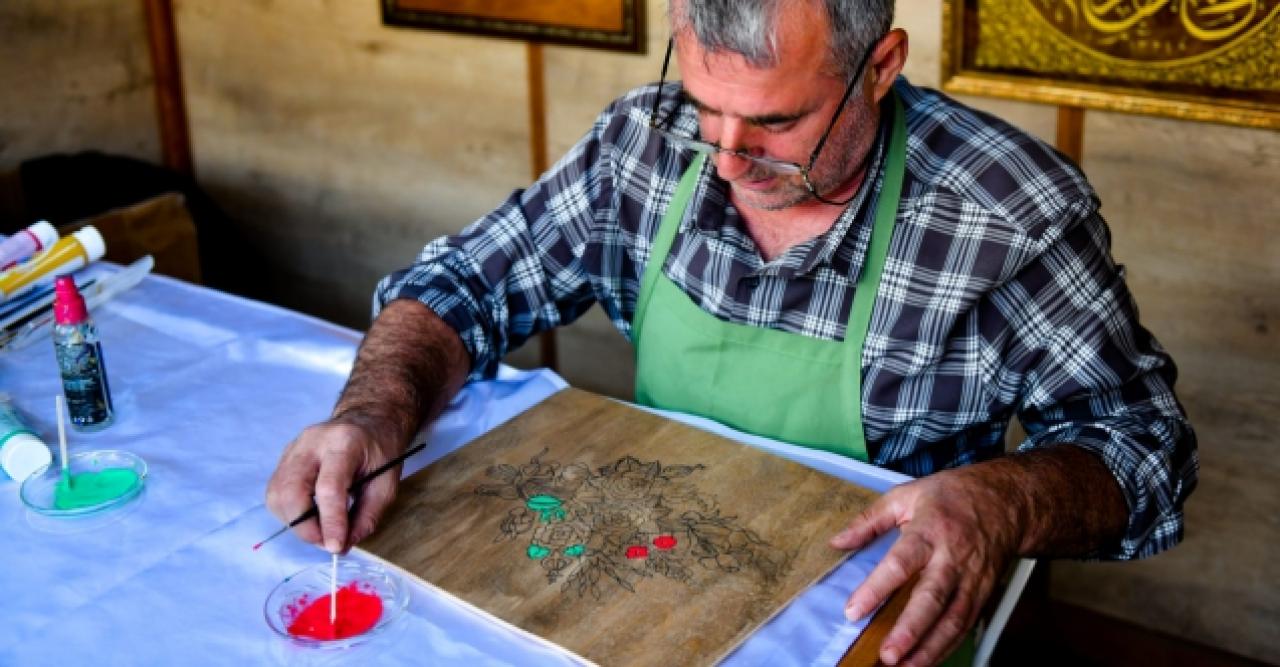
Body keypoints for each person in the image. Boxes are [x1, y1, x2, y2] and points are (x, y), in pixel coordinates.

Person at [266, 1, 1198, 664]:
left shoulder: (1005, 212)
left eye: (775, 121)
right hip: (646, 578)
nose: (725, 157)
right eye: (706, 108)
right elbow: (464, 282)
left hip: (865, 623)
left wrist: (1002, 499)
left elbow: (1144, 450)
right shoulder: (643, 140)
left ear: (880, 66)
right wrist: (375, 412)